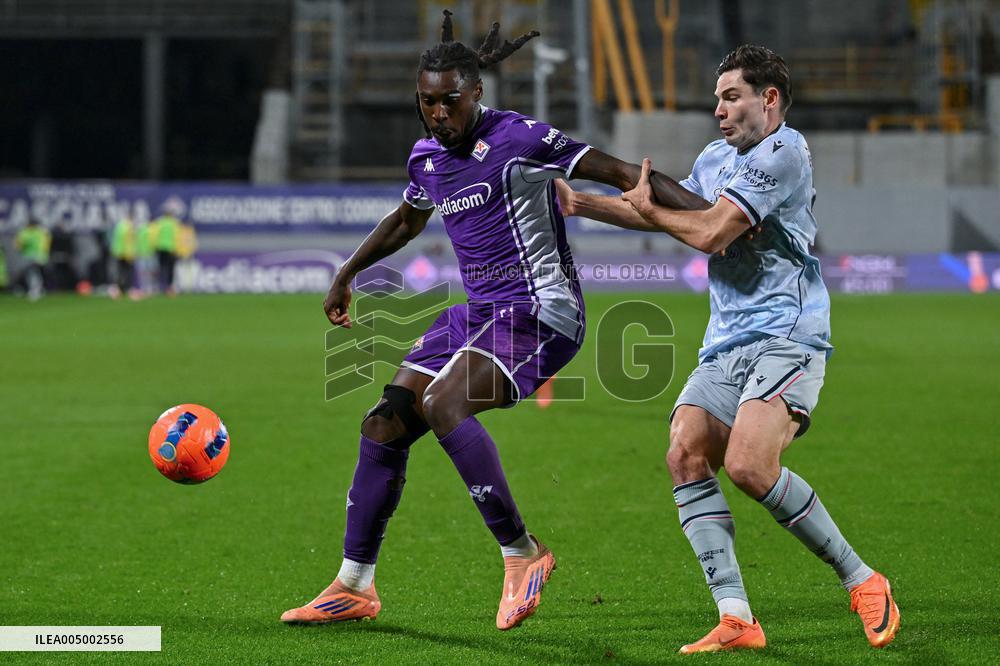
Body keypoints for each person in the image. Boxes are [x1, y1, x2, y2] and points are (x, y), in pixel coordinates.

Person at [280, 10, 708, 631]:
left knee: (445, 402)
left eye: (449, 100)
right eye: (427, 102)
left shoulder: (519, 139)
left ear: (476, 92)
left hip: (542, 313)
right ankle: (354, 584)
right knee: (383, 425)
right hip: (478, 314)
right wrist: (347, 272)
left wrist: (718, 218)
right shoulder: (427, 158)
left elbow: (622, 174)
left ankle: (522, 553)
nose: (437, 113)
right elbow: (406, 221)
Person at [556, 44, 899, 652]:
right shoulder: (717, 157)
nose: (718, 109)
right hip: (725, 345)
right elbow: (658, 208)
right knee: (685, 453)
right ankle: (737, 616)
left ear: (769, 99)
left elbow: (711, 232)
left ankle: (864, 579)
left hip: (786, 336)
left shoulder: (783, 151)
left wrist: (653, 212)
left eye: (731, 96)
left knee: (747, 465)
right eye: (717, 97)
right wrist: (579, 204)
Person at [149, 205, 182, 296]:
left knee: (161, 268)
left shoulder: (159, 222)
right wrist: (177, 249)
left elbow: (154, 234)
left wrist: (155, 246)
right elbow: (176, 236)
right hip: (170, 248)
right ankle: (169, 288)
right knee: (170, 268)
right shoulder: (174, 223)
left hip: (160, 248)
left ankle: (159, 286)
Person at [15, 218, 51, 302]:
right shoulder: (40, 231)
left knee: (32, 272)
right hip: (36, 256)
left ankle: (35, 290)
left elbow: (18, 245)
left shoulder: (27, 232)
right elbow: (18, 245)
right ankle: (38, 289)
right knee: (34, 272)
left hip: (34, 256)